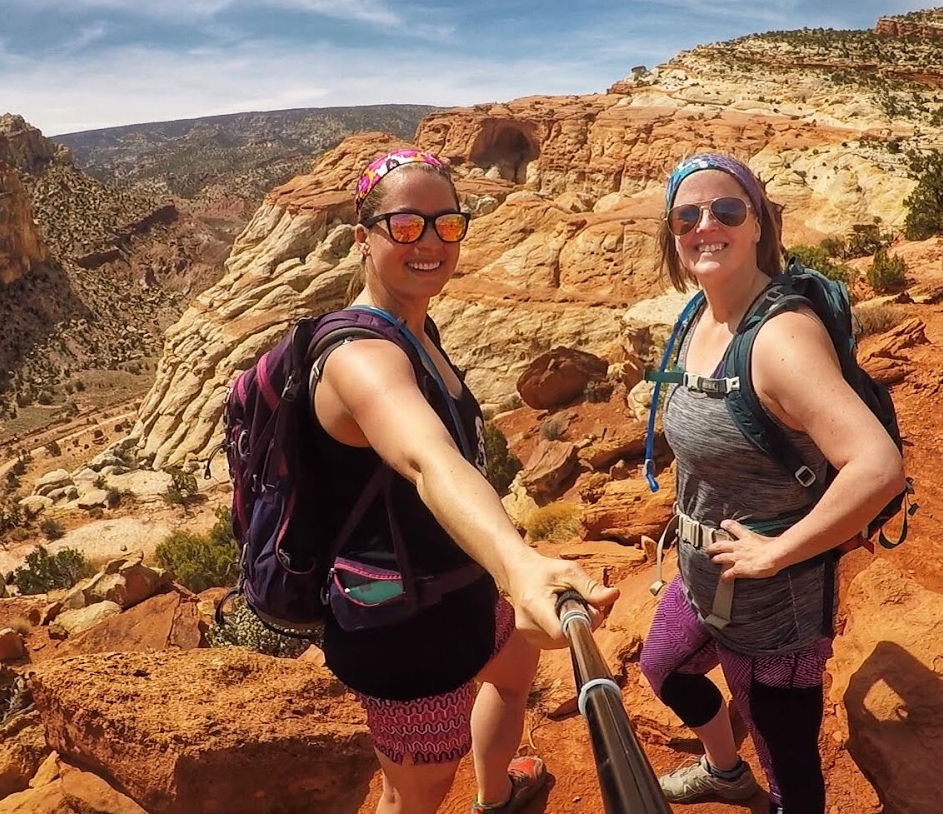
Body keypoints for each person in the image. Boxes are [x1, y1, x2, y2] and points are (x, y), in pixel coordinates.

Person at [309, 149, 619, 814]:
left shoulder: (418, 327)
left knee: (511, 676)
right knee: (415, 793)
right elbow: (427, 459)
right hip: (400, 628)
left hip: (463, 584)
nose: (430, 243)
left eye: (447, 225)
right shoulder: (358, 357)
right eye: (406, 225)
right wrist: (518, 562)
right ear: (362, 237)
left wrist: (499, 569)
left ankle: (497, 794)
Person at [638, 153, 905, 813]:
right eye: (687, 215)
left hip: (776, 606)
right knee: (664, 670)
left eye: (727, 209)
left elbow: (877, 465)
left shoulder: (781, 337)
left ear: (759, 224)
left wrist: (777, 552)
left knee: (789, 771)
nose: (707, 224)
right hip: (703, 574)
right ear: (672, 235)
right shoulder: (698, 317)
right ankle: (724, 769)